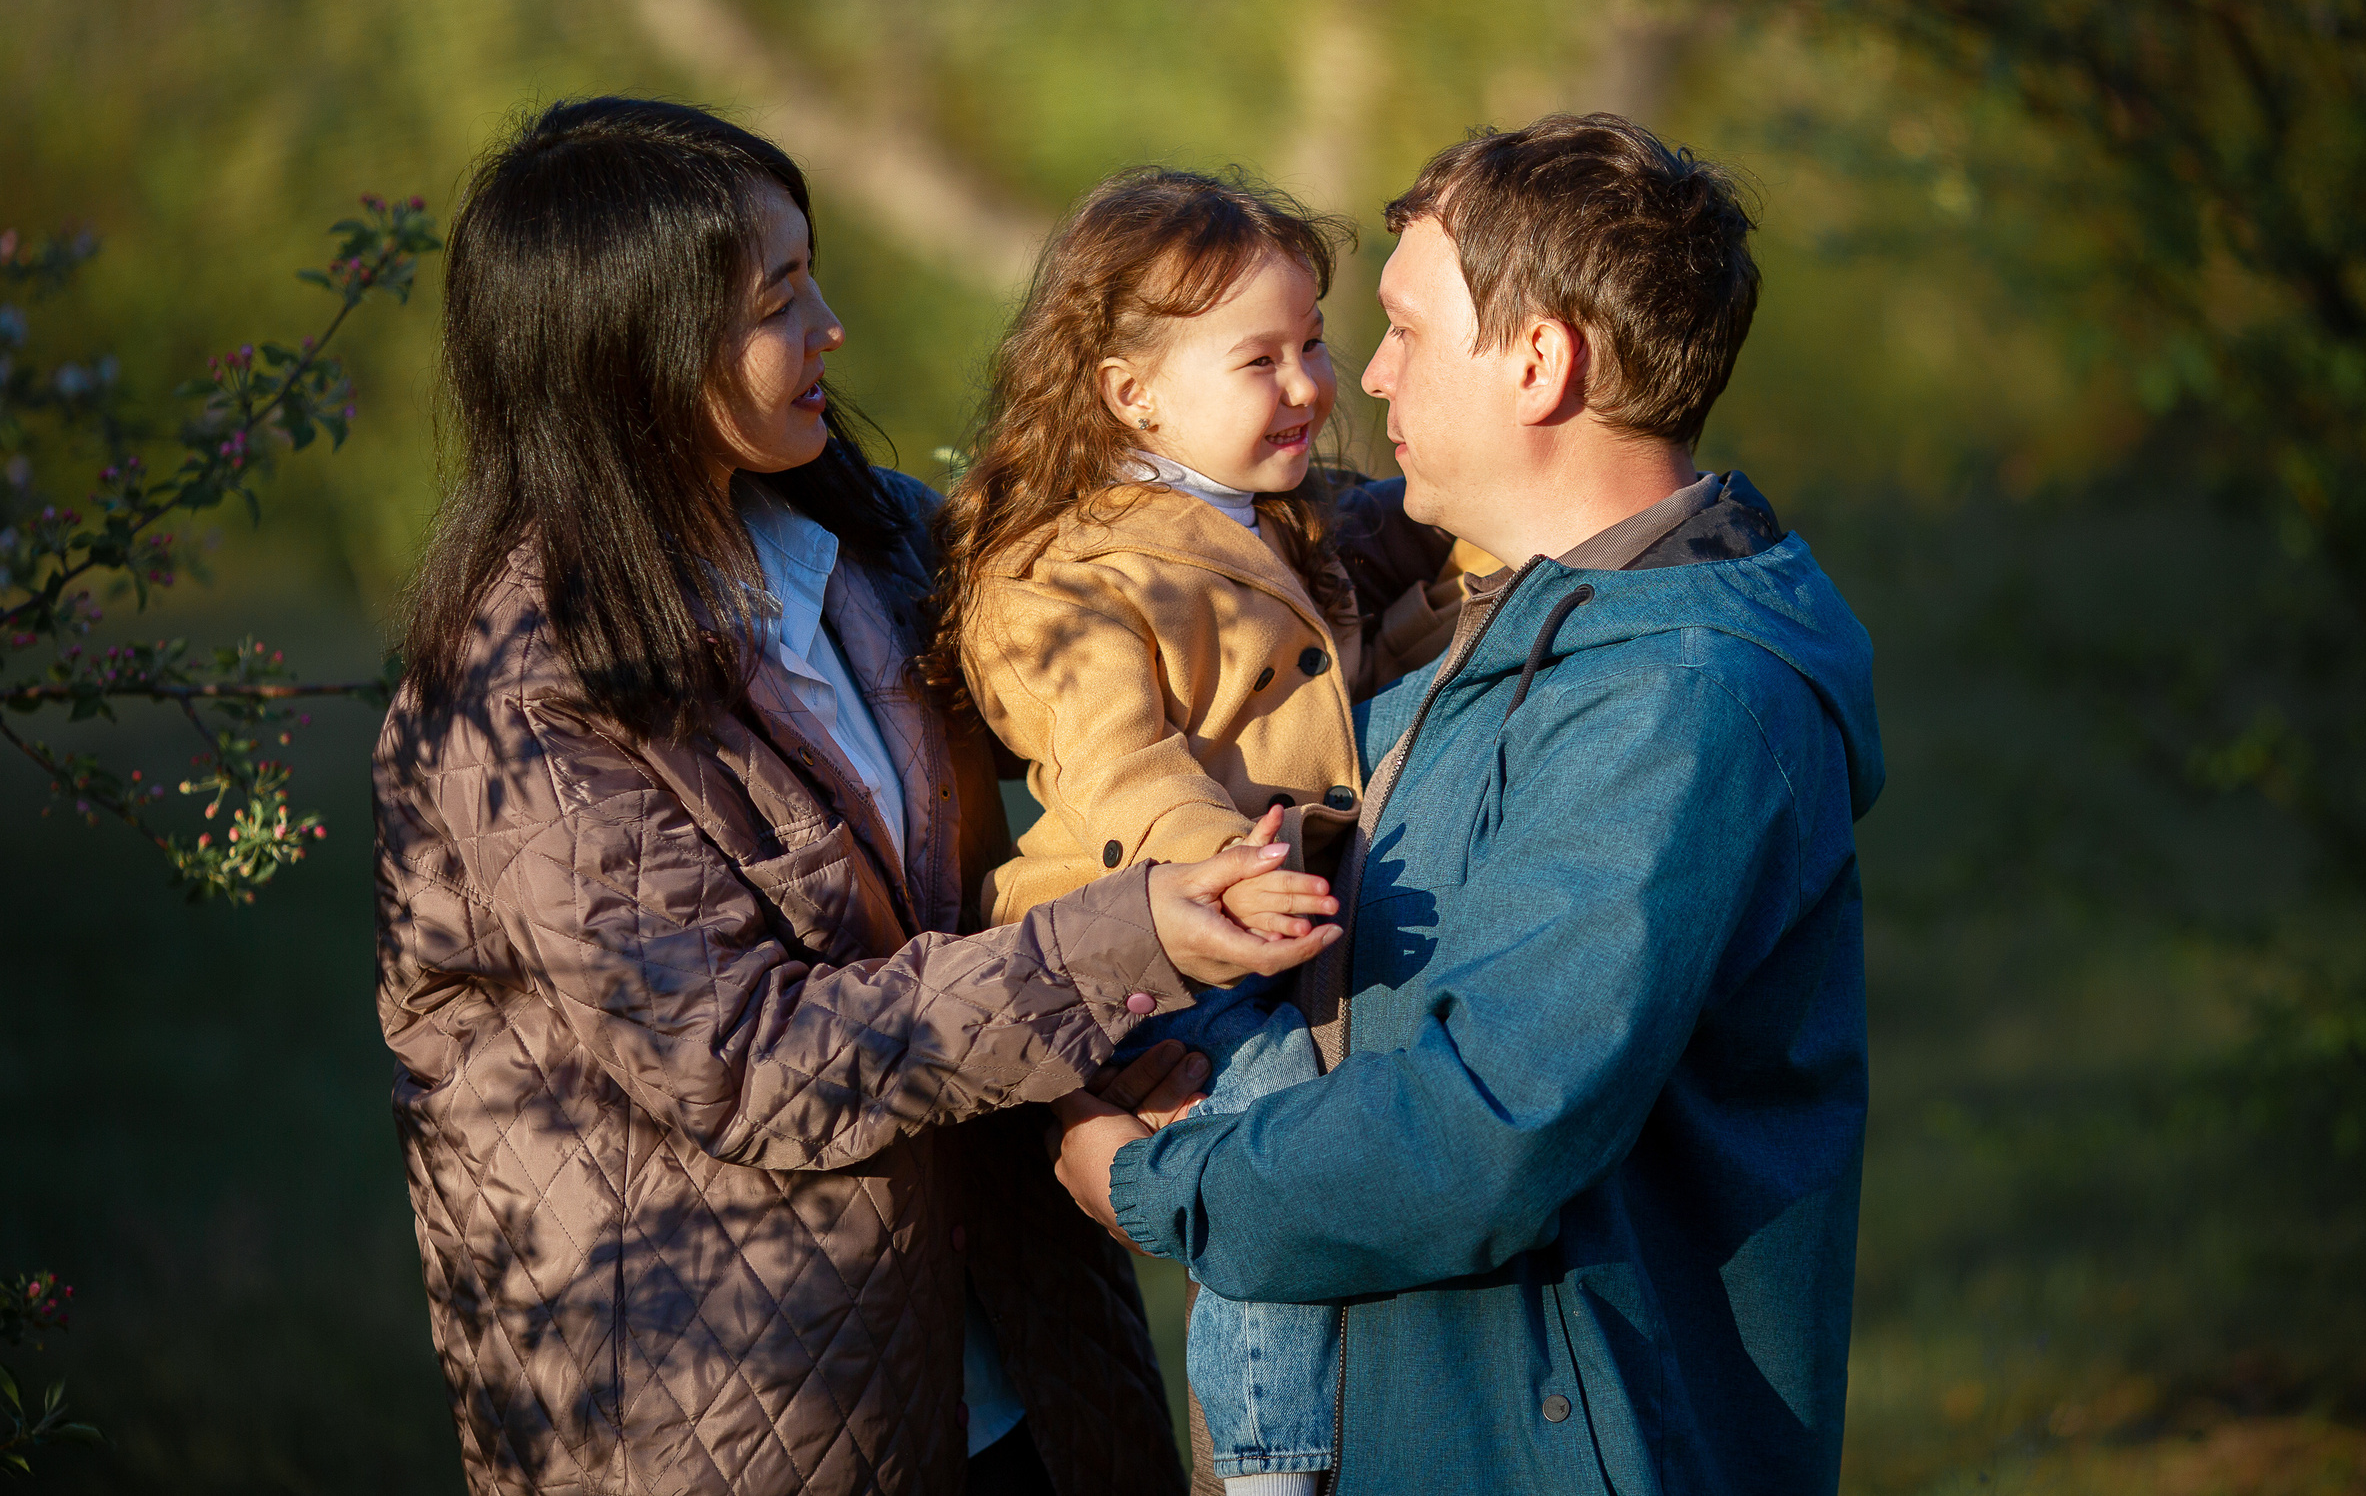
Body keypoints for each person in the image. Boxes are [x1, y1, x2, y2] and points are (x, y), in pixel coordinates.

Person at [373, 98, 1337, 1496]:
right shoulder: (526, 693)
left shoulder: (872, 538)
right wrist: (1116, 950)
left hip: (1015, 1348)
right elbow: (744, 1054)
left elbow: (1131, 608)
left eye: (811, 275)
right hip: (729, 1408)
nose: (830, 327)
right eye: (779, 301)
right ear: (636, 352)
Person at [1053, 114, 1884, 1496]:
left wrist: (1153, 1185)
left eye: (1403, 331)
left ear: (1541, 362)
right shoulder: (1497, 619)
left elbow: (1485, 1128)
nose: (1366, 377)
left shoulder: (1678, 698)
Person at [931, 169, 1463, 1496]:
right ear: (1133, 395)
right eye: (1260, 361)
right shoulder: (1062, 572)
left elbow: (1326, 679)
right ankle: (1271, 1456)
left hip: (1256, 916)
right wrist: (1217, 869)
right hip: (1150, 941)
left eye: (1314, 345)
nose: (1309, 385)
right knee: (1268, 1120)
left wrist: (1449, 601)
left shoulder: (1261, 510)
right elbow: (1122, 767)